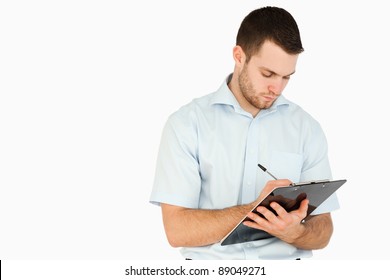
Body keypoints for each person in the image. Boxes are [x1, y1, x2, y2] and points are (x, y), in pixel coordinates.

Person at [149, 6, 339, 260]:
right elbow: (177, 231)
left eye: (286, 77)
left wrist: (295, 233)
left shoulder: (307, 128)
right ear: (239, 56)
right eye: (267, 74)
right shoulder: (186, 124)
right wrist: (254, 211)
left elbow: (323, 230)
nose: (277, 88)